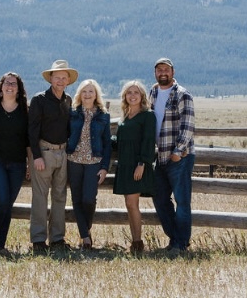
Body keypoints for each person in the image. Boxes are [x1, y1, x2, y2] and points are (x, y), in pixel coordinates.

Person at [28, 59, 78, 252]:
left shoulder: (68, 100)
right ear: (50, 78)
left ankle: (57, 239)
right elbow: (32, 130)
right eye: (57, 77)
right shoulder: (39, 100)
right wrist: (37, 156)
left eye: (64, 78)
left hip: (62, 151)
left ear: (68, 81)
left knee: (60, 195)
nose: (60, 81)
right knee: (40, 197)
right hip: (45, 151)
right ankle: (39, 240)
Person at [148, 57, 196, 254]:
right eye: (159, 70)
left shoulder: (182, 95)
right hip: (160, 156)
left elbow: (188, 125)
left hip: (179, 157)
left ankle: (181, 244)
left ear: (173, 72)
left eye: (166, 69)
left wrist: (178, 152)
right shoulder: (153, 92)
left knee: (182, 201)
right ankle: (174, 239)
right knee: (160, 198)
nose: (163, 73)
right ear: (155, 73)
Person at [0, 72, 30, 259]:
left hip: (17, 163)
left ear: (19, 89)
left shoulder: (25, 111)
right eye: (6, 83)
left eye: (14, 84)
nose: (10, 86)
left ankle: (0, 246)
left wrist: (29, 164)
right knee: (1, 201)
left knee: (7, 204)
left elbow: (28, 140)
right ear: (1, 88)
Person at [66, 79, 112, 250]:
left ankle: (86, 229)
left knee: (89, 199)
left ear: (96, 94)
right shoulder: (72, 113)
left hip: (94, 162)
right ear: (80, 94)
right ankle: (86, 237)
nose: (87, 94)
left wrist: (105, 167)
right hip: (74, 160)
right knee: (76, 200)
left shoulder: (103, 115)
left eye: (91, 91)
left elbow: (107, 143)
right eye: (84, 91)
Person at [112, 80, 156, 255]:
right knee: (129, 204)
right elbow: (120, 141)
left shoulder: (148, 116)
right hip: (124, 164)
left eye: (136, 92)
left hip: (137, 165)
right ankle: (135, 241)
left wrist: (142, 164)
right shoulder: (125, 116)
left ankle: (137, 243)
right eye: (129, 92)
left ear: (142, 96)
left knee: (132, 203)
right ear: (125, 96)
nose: (132, 95)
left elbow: (148, 141)